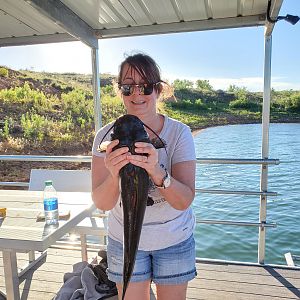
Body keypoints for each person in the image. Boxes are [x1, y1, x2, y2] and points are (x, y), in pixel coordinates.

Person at [91, 53, 197, 300]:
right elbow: (102, 203)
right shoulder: (104, 137)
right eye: (128, 87)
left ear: (158, 90)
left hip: (173, 238)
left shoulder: (179, 133)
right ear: (120, 91)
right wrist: (112, 171)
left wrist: (156, 170)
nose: (137, 94)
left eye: (145, 86)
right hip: (124, 240)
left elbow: (183, 201)